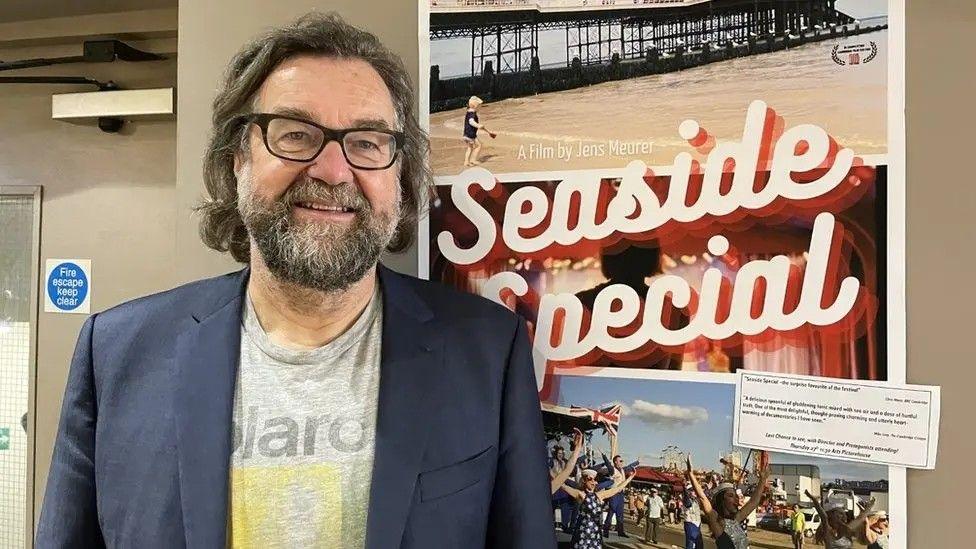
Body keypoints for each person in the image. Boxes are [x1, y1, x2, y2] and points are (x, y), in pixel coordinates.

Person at [35, 13, 556, 549]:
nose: (332, 170)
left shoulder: (490, 352)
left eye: (368, 142)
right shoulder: (117, 353)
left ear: (398, 173)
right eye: (295, 135)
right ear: (239, 158)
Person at [686, 455, 771, 549]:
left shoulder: (736, 519)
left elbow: (753, 502)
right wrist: (691, 474)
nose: (736, 499)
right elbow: (703, 498)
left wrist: (763, 479)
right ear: (722, 500)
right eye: (730, 496)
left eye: (735, 496)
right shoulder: (718, 522)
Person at [561, 469, 636, 549]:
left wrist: (630, 477)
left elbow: (617, 489)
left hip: (595, 534)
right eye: (590, 479)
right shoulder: (580, 494)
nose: (593, 482)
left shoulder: (600, 495)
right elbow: (563, 486)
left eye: (594, 479)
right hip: (582, 533)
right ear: (584, 481)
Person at [805, 490, 876, 549]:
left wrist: (869, 507)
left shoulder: (847, 529)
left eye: (842, 513)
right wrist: (814, 500)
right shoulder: (827, 530)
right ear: (832, 516)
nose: (842, 515)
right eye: (839, 513)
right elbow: (823, 516)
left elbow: (860, 518)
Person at [551, 429, 585, 532]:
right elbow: (550, 473)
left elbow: (571, 468)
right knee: (550, 508)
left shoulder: (565, 462)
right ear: (556, 453)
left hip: (563, 490)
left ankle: (566, 526)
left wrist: (577, 448)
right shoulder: (552, 462)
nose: (560, 455)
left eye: (562, 453)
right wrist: (557, 478)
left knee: (565, 507)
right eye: (559, 453)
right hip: (554, 488)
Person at [462, 96, 494, 167]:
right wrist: (477, 125)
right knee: (478, 146)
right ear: (475, 106)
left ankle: (466, 161)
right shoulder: (472, 114)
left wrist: (481, 127)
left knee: (470, 148)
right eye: (479, 106)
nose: (480, 108)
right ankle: (473, 160)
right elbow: (471, 122)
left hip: (467, 134)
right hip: (470, 135)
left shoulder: (469, 112)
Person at [683, 484, 705, 549]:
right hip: (690, 523)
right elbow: (688, 504)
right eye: (693, 490)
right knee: (691, 544)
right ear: (688, 492)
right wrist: (685, 490)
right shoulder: (686, 499)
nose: (695, 492)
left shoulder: (696, 500)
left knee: (699, 545)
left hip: (697, 524)